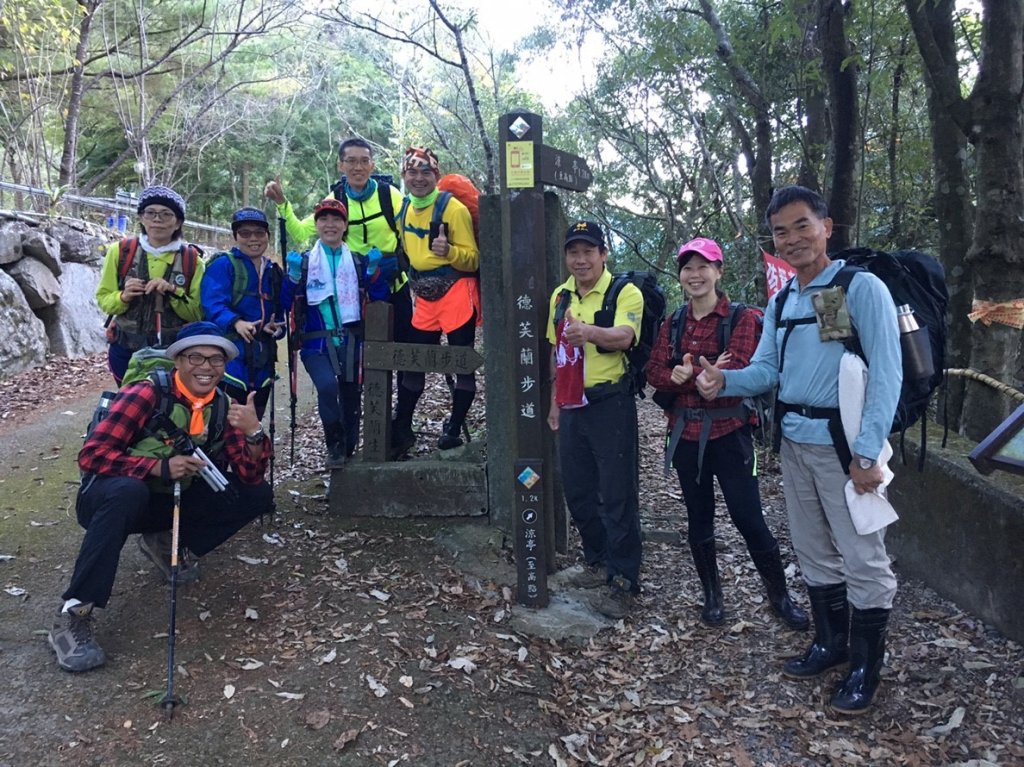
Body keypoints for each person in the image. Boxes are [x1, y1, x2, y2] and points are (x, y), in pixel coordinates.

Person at [695, 186, 901, 715]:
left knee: (862, 557)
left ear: (826, 226)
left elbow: (885, 374)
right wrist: (724, 380)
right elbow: (768, 371)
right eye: (781, 231)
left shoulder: (859, 288)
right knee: (812, 550)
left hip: (844, 448)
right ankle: (830, 643)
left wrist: (865, 452)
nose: (792, 239)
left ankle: (864, 666)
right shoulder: (785, 300)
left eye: (801, 225)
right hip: (795, 444)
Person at [49, 322, 272, 672]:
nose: (206, 367)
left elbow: (249, 475)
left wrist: (254, 432)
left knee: (257, 495)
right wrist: (157, 467)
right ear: (178, 361)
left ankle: (164, 541)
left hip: (170, 500)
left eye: (216, 359)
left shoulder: (223, 405)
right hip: (111, 498)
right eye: (195, 357)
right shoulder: (145, 394)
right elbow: (92, 455)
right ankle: (74, 613)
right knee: (128, 490)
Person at [645, 237, 808, 631]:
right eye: (687, 267)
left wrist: (691, 375)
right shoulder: (673, 322)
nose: (694, 274)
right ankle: (712, 596)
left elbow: (737, 373)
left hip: (731, 433)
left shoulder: (743, 319)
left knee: (748, 516)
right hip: (684, 435)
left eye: (704, 266)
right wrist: (682, 375)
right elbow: (653, 373)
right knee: (698, 517)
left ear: (718, 271)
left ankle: (779, 596)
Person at [546, 221, 643, 620]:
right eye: (574, 252)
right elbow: (556, 352)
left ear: (604, 254)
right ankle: (597, 560)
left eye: (589, 251)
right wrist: (554, 403)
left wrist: (589, 332)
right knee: (579, 488)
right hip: (570, 403)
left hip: (610, 402)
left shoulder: (624, 291)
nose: (581, 260)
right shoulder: (559, 295)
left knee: (617, 491)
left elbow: (624, 336)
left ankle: (624, 578)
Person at [264, 138, 412, 381]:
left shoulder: (389, 195)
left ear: (372, 166)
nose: (358, 167)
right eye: (351, 161)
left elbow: (411, 228)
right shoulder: (336, 198)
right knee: (367, 362)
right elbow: (302, 231)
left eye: (364, 161)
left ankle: (401, 417)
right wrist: (283, 204)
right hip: (356, 293)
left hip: (395, 285)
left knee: (404, 356)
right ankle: (370, 414)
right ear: (340, 165)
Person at [285, 197, 390, 468]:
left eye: (336, 219)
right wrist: (293, 278)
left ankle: (348, 449)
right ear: (316, 224)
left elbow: (380, 297)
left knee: (351, 393)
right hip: (315, 343)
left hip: (352, 340)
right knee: (327, 386)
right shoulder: (307, 263)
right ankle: (334, 444)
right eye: (323, 219)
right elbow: (285, 302)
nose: (329, 224)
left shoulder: (356, 261)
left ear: (345, 225)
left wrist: (373, 271)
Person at [391, 146, 481, 454]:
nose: (418, 178)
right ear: (404, 176)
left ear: (436, 176)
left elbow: (473, 260)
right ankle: (402, 427)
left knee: (462, 362)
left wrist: (450, 252)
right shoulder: (403, 210)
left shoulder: (454, 209)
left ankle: (453, 427)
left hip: (457, 292)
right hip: (424, 298)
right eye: (412, 172)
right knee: (415, 362)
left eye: (425, 172)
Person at [96, 185, 206, 384]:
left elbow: (197, 312)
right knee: (130, 406)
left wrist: (174, 291)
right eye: (151, 213)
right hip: (125, 349)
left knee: (167, 404)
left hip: (173, 351)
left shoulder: (192, 260)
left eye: (166, 214)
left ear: (178, 222)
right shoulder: (120, 252)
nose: (157, 220)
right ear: (141, 218)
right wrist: (123, 296)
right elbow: (104, 299)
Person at [200, 207, 286, 419]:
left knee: (255, 417)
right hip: (230, 358)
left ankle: (253, 451)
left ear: (267, 236)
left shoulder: (273, 271)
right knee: (229, 419)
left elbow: (280, 313)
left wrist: (276, 328)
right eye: (245, 233)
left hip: (263, 359)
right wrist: (236, 322)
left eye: (259, 233)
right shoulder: (223, 265)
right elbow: (211, 304)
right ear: (235, 237)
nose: (253, 239)